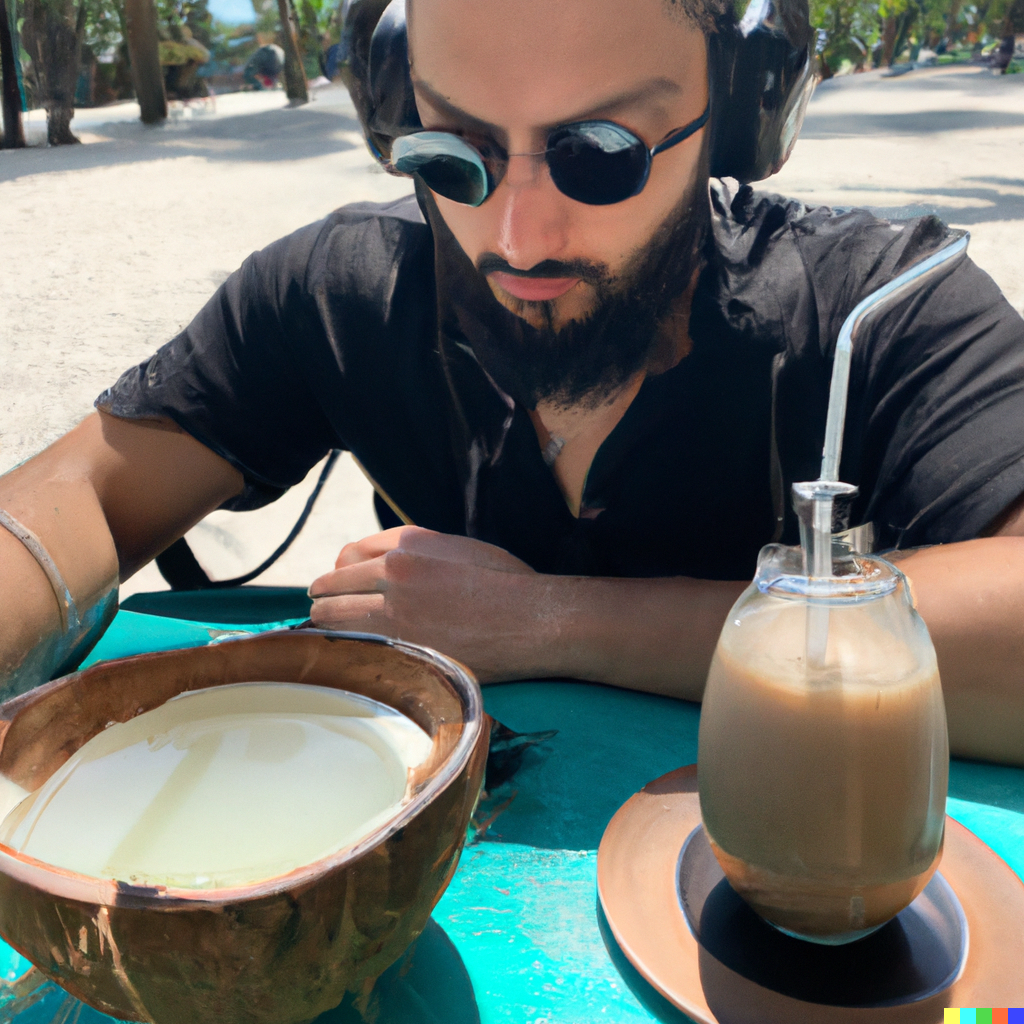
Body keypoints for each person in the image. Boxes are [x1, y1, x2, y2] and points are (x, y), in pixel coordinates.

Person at [2, 0, 1024, 766]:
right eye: (457, 150)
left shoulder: (877, 315)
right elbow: (81, 496)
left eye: (599, 156)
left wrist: (553, 622)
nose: (514, 237)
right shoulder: (338, 291)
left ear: (737, 117)